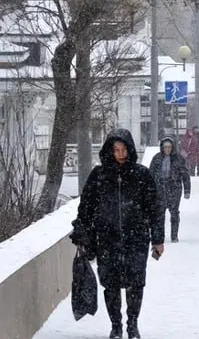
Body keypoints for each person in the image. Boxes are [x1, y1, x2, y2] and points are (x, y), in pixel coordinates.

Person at [70, 129, 163, 339]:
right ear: (109, 151)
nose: (120, 154)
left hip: (136, 239)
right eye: (116, 150)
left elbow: (155, 209)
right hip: (107, 239)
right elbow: (86, 208)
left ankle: (132, 324)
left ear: (130, 150)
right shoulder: (99, 176)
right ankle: (116, 325)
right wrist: (81, 232)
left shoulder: (141, 174)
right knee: (110, 285)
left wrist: (158, 239)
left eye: (123, 150)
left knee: (135, 284)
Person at [148, 137, 191, 243]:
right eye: (165, 147)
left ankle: (174, 236)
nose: (167, 149)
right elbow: (150, 175)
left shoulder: (179, 159)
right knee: (159, 214)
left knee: (174, 213)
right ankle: (160, 236)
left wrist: (187, 190)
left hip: (174, 189)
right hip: (160, 189)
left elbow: (185, 175)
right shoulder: (156, 158)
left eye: (169, 147)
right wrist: (148, 189)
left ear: (173, 148)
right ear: (162, 147)